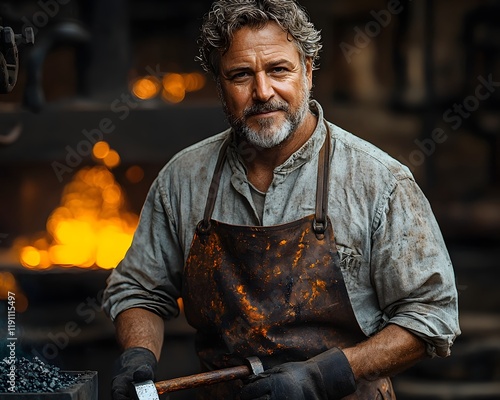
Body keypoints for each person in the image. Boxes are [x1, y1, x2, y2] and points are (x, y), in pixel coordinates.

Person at [102, 0, 460, 399]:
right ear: (219, 83)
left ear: (307, 70)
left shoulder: (379, 181)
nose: (262, 91)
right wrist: (138, 356)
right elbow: (139, 289)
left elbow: (431, 315)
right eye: (240, 75)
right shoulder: (183, 179)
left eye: (278, 70)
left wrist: (320, 377)